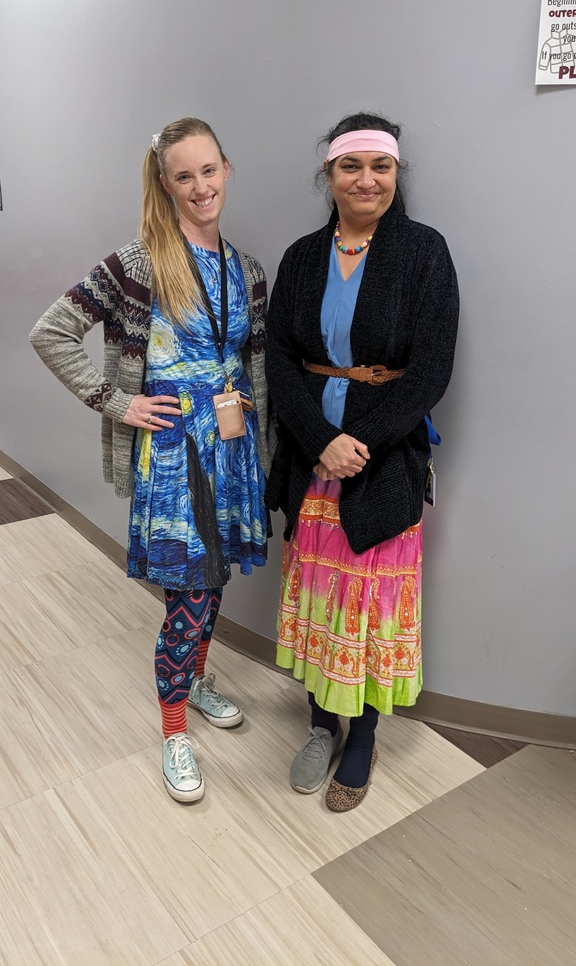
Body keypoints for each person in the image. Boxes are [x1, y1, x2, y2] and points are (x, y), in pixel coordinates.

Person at [30, 117, 275, 803]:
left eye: (209, 171)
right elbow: (50, 332)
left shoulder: (247, 270)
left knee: (212, 579)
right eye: (184, 176)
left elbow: (251, 365)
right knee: (190, 590)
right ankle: (174, 733)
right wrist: (115, 401)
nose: (201, 187)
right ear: (165, 184)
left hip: (229, 452)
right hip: (171, 455)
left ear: (227, 169)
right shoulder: (137, 265)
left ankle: (195, 682)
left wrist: (260, 435)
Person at [265, 111, 459, 812]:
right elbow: (280, 359)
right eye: (351, 166)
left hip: (382, 467)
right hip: (312, 463)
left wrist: (362, 444)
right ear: (329, 175)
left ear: (396, 174)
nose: (366, 179)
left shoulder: (424, 253)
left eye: (380, 166)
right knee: (322, 604)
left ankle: (365, 733)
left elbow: (431, 369)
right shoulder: (301, 258)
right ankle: (320, 724)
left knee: (369, 611)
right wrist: (320, 439)